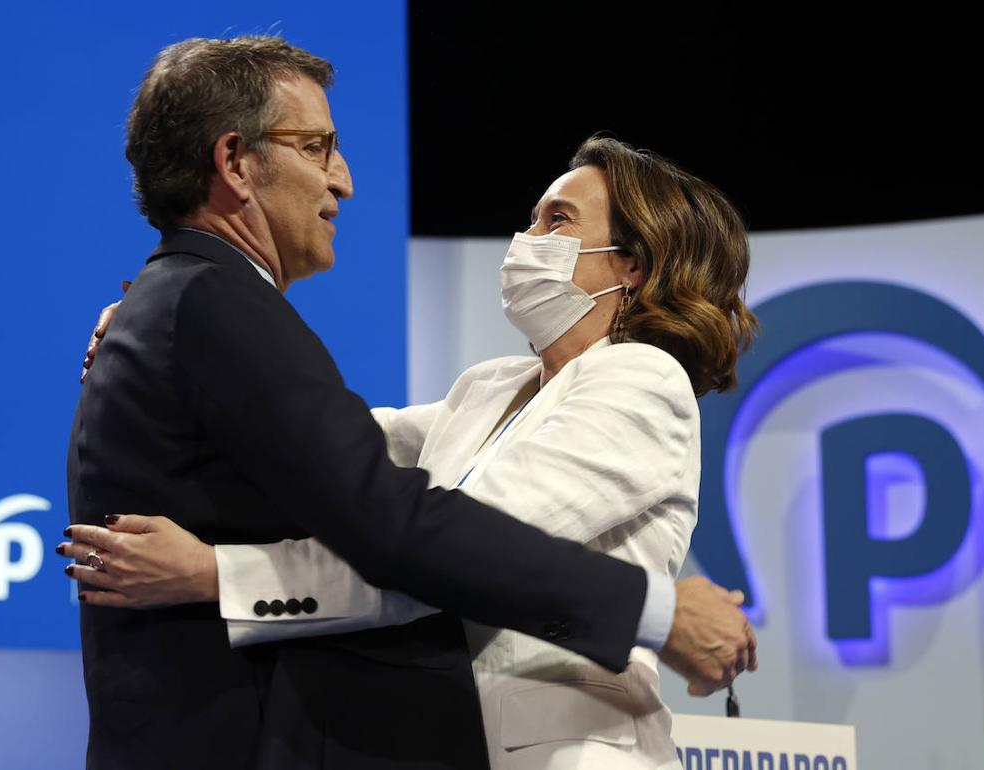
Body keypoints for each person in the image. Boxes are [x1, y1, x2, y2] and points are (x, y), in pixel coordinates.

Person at [64, 36, 754, 770]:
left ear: (634, 266)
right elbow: (319, 440)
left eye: (557, 221)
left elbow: (436, 548)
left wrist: (219, 573)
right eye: (531, 218)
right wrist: (179, 346)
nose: (525, 239)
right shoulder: (491, 388)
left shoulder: (639, 378)